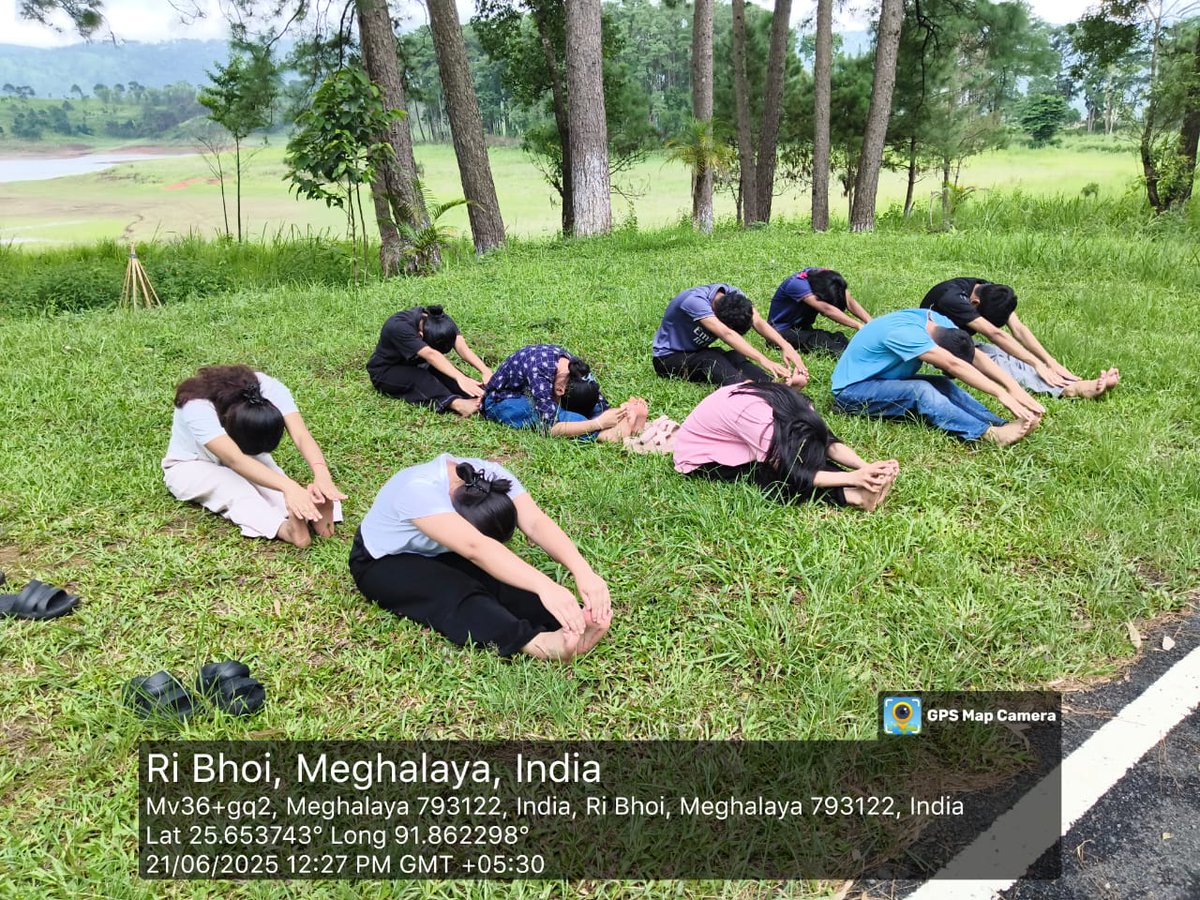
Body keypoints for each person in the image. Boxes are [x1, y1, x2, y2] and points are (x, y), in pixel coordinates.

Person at [350, 454, 611, 660]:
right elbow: (478, 548)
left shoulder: (489, 477)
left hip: (442, 550)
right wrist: (547, 586)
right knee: (454, 590)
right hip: (381, 561)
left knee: (504, 576)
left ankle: (569, 621)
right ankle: (536, 643)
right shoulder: (418, 491)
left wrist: (583, 571)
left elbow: (534, 522)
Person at [163, 365, 345, 547]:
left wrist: (322, 474)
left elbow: (301, 435)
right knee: (236, 490)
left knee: (277, 484)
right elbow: (236, 460)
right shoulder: (197, 406)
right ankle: (286, 530)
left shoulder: (267, 388)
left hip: (243, 453)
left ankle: (318, 514)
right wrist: (289, 487)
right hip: (189, 464)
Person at [668, 382, 899, 511]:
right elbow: (792, 471)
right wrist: (853, 478)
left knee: (809, 451)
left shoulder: (792, 403)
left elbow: (827, 441)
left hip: (735, 439)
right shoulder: (760, 423)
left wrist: (866, 467)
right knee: (774, 477)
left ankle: (864, 485)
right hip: (702, 458)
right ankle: (855, 496)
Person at [831, 309, 1042, 446]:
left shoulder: (939, 323)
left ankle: (999, 423)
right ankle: (986, 434)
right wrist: (999, 393)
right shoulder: (906, 335)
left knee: (941, 383)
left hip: (882, 380)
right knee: (922, 390)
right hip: (851, 392)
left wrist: (1012, 387)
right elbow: (953, 364)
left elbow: (973, 355)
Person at [920, 278, 1119, 399]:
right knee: (992, 358)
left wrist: (1050, 362)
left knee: (1007, 354)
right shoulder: (952, 298)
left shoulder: (990, 291)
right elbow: (995, 334)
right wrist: (1036, 363)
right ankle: (1070, 389)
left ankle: (1065, 382)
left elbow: (1019, 330)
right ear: (974, 303)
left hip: (960, 342)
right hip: (930, 351)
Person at [651, 283, 808, 387]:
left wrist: (786, 346)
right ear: (717, 317)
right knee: (711, 360)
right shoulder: (693, 301)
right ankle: (751, 392)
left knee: (734, 356)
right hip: (668, 359)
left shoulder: (734, 295)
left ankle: (774, 385)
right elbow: (726, 333)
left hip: (697, 352)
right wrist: (764, 360)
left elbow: (758, 321)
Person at [482, 344, 649, 441]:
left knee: (592, 405)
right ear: (559, 390)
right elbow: (550, 428)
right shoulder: (539, 375)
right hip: (501, 401)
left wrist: (610, 411)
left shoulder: (575, 368)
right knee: (557, 416)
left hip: (542, 392)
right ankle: (606, 434)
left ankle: (622, 419)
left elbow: (594, 395)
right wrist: (597, 424)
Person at [367, 304, 493, 417]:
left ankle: (482, 395)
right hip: (385, 371)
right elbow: (431, 354)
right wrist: (461, 378)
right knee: (420, 377)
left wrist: (485, 371)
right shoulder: (398, 326)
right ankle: (458, 404)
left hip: (419, 363)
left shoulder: (440, 320)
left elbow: (462, 347)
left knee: (447, 375)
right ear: (420, 335)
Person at [767, 268, 872, 356]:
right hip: (779, 332)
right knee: (825, 343)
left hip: (803, 328)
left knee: (838, 338)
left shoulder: (826, 278)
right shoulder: (797, 284)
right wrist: (858, 325)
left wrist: (871, 322)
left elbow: (849, 300)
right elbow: (827, 310)